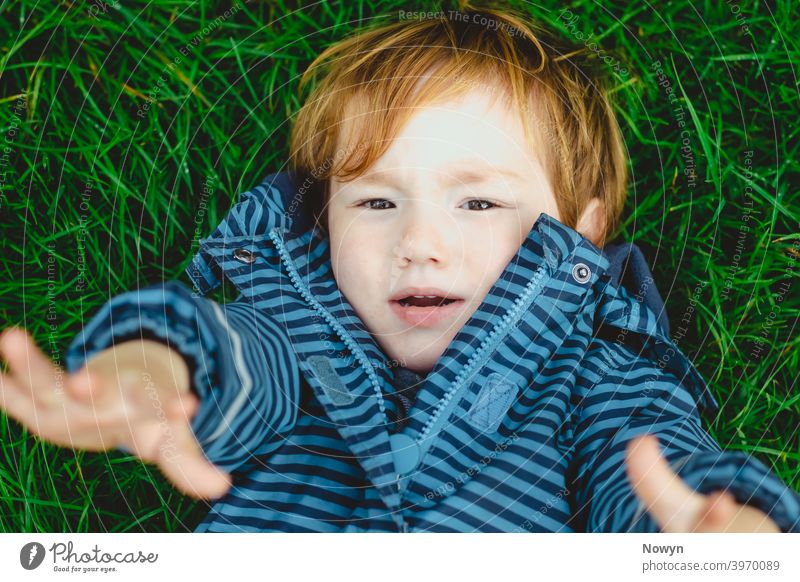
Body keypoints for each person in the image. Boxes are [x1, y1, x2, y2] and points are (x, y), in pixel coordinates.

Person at [1, 4, 798, 533]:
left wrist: (712, 532)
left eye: (478, 205)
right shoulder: (299, 337)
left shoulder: (595, 372)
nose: (418, 242)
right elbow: (224, 354)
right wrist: (148, 375)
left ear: (579, 235)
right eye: (375, 204)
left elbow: (650, 460)